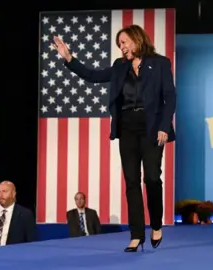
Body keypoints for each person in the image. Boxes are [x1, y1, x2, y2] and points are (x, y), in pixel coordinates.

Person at [52, 24, 176, 252]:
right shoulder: (120, 66)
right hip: (127, 128)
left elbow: (169, 96)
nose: (122, 47)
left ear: (137, 40)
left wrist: (164, 127)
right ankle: (136, 235)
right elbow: (93, 76)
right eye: (120, 44)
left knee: (151, 178)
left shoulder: (160, 63)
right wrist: (69, 58)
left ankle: (156, 224)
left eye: (124, 42)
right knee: (131, 182)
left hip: (152, 128)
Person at [0, 181, 36, 247]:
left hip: (12, 255)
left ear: (13, 194)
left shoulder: (25, 214)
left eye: (4, 191)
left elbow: (31, 242)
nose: (0, 195)